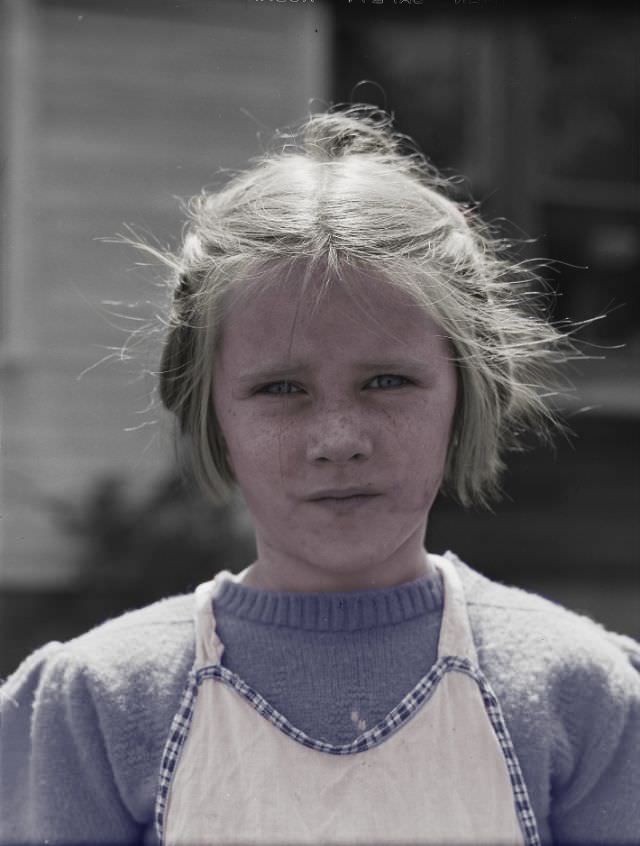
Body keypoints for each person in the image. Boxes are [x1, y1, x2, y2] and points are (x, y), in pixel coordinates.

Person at [1, 106, 639, 846]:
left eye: (388, 381)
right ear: (207, 410)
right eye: (280, 389)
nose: (338, 439)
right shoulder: (97, 705)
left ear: (467, 390)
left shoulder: (580, 692)